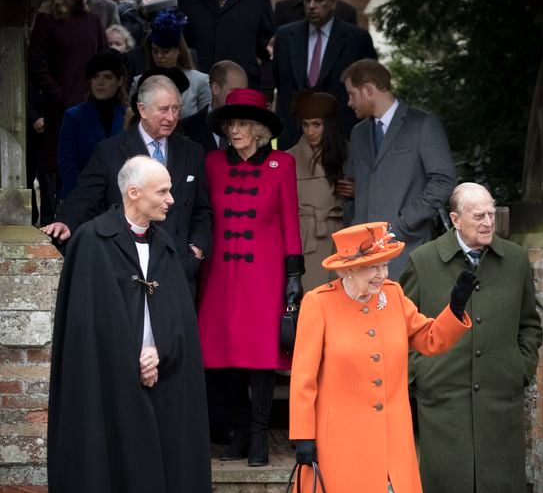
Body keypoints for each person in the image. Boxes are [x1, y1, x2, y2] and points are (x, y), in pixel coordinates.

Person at [47, 155, 217, 493]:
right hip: (108, 387)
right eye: (162, 191)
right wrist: (129, 359)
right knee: (114, 477)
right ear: (133, 193)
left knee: (168, 481)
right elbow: (85, 326)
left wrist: (160, 349)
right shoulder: (91, 242)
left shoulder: (167, 245)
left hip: (166, 380)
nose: (171, 199)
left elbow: (181, 316)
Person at [289, 222, 476, 493]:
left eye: (385, 266)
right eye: (373, 267)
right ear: (346, 270)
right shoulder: (318, 303)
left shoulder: (392, 297)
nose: (382, 275)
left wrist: (455, 309)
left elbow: (429, 339)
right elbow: (303, 375)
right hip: (339, 436)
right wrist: (303, 434)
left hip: (390, 433)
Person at [399, 182, 543, 493]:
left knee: (491, 485)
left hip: (498, 390)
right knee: (442, 482)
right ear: (454, 219)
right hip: (443, 391)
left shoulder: (515, 260)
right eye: (478, 215)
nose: (487, 222)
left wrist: (521, 367)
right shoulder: (424, 261)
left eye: (491, 214)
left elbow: (529, 324)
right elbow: (403, 330)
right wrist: (420, 372)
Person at [197, 88, 303, 466]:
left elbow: (291, 220)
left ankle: (259, 435)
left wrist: (294, 274)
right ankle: (240, 430)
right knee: (221, 354)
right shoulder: (211, 163)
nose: (235, 130)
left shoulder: (282, 165)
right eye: (230, 123)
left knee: (260, 355)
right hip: (221, 273)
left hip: (265, 273)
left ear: (259, 129)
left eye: (242, 123)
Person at [41, 76, 211, 297]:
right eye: (163, 110)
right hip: (126, 265)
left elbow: (202, 209)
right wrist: (66, 222)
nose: (171, 117)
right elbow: (85, 196)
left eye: (176, 109)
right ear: (142, 109)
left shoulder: (193, 152)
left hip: (178, 266)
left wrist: (196, 248)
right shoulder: (110, 151)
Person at [342, 59, 457, 280]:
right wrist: (352, 221)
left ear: (368, 90)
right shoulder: (358, 133)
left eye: (351, 94)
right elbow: (351, 187)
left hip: (408, 249)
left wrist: (405, 222)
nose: (349, 102)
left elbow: (444, 181)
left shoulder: (422, 124)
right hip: (362, 255)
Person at [28, 0, 107, 224]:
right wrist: (58, 97)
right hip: (59, 114)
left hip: (91, 111)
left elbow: (104, 60)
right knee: (56, 176)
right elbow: (37, 66)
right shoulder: (47, 22)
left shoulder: (93, 22)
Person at [273, 0, 376, 148]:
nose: (312, 6)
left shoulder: (357, 39)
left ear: (333, 2)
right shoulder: (285, 36)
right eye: (307, 0)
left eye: (319, 0)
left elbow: (368, 88)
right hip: (295, 136)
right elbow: (280, 80)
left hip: (341, 135)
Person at [286, 89, 349, 291]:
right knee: (312, 298)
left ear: (328, 125)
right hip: (307, 237)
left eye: (316, 124)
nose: (310, 131)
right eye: (305, 124)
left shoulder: (347, 153)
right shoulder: (289, 158)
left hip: (341, 236)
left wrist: (355, 191)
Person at [58, 48, 128, 199]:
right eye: (96, 77)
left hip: (120, 198)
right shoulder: (74, 116)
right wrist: (85, 195)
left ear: (120, 81)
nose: (100, 83)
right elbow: (67, 164)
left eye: (108, 77)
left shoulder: (128, 116)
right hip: (79, 197)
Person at [130, 9, 210, 119]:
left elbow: (206, 123)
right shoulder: (139, 82)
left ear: (178, 51)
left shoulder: (200, 82)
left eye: (165, 51)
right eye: (155, 51)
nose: (159, 56)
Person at [180, 60, 248, 154]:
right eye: (234, 91)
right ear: (215, 89)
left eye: (244, 92)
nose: (241, 97)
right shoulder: (187, 128)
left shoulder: (253, 128)